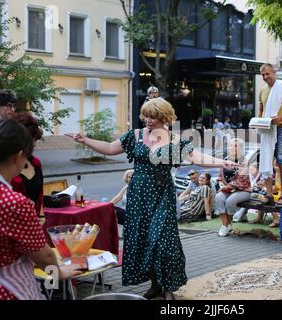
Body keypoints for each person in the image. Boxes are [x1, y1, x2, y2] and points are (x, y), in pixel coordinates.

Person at [66, 97, 239, 300]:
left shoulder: (175, 140)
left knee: (163, 241)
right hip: (138, 196)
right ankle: (155, 284)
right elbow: (111, 148)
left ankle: (168, 288)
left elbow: (196, 157)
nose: (147, 119)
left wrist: (222, 163)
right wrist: (85, 140)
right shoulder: (136, 135)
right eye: (145, 115)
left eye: (153, 116)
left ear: (163, 117)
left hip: (162, 194)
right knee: (144, 240)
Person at [0, 119, 80, 300]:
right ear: (18, 157)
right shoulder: (15, 202)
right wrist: (60, 274)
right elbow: (45, 257)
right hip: (7, 288)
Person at [258, 63, 282, 206]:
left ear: (274, 72)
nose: (265, 77)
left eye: (267, 74)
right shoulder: (262, 91)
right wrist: (258, 123)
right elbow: (261, 111)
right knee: (266, 161)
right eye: (263, 75)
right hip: (266, 130)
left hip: (281, 128)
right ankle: (269, 195)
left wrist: (280, 118)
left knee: (281, 161)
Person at [9, 112, 45, 221]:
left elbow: (40, 195)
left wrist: (41, 215)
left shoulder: (36, 163)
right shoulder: (4, 167)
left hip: (34, 224)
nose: (35, 144)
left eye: (36, 139)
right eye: (32, 140)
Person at [214, 138, 251, 237]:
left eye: (235, 146)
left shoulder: (244, 161)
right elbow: (220, 176)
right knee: (218, 198)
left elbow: (241, 179)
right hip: (227, 189)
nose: (232, 148)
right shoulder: (226, 159)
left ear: (240, 148)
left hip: (243, 190)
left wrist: (227, 187)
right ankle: (225, 225)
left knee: (230, 201)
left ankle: (227, 224)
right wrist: (222, 185)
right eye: (230, 145)